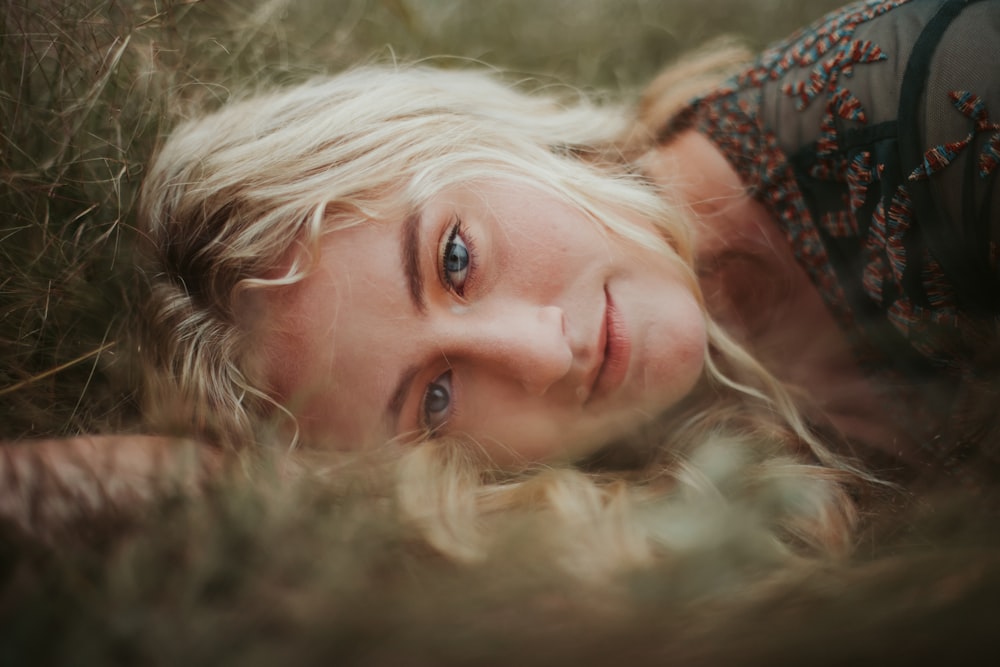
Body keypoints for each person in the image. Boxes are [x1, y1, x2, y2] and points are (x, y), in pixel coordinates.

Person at [7, 0, 998, 574]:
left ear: (465, 140)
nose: (537, 352)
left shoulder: (933, 113)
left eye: (453, 261)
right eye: (435, 400)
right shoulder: (651, 477)